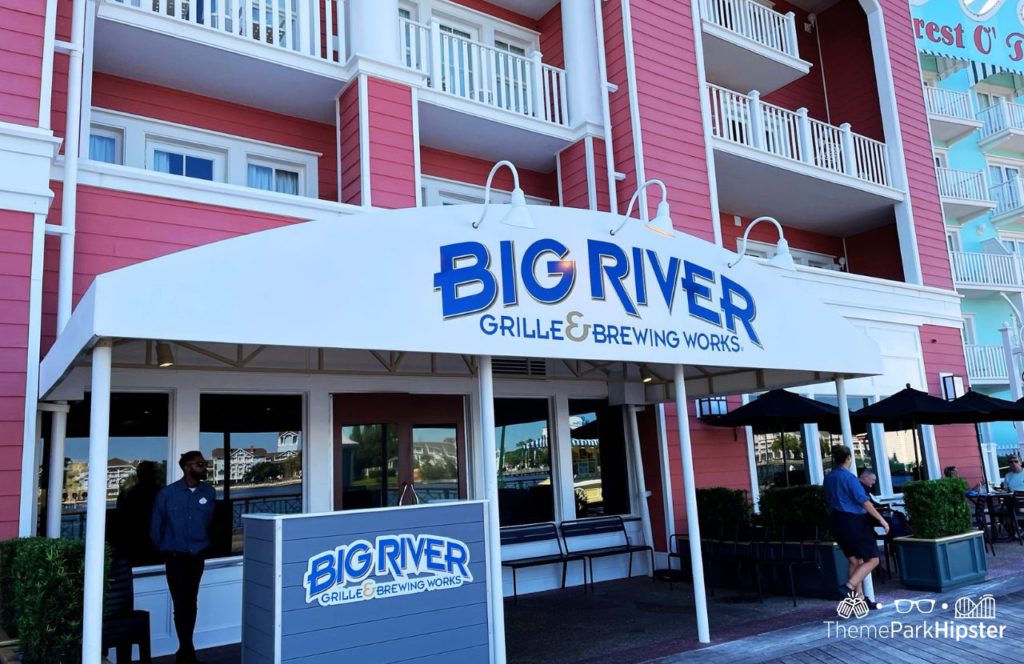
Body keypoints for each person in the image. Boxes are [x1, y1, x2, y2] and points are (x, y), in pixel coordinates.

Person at [151, 451, 215, 664]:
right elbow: (155, 528)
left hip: (196, 557)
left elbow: (212, 522)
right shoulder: (167, 494)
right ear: (187, 467)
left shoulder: (209, 492)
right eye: (200, 464)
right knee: (181, 604)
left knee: (192, 602)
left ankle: (186, 652)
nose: (204, 467)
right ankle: (186, 651)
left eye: (204, 464)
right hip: (176, 558)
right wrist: (167, 547)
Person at [824, 445, 889, 608]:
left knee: (854, 560)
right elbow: (864, 501)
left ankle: (858, 600)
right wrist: (881, 519)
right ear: (848, 459)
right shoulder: (849, 478)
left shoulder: (829, 477)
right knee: (873, 559)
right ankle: (848, 587)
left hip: (836, 521)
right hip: (853, 521)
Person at [114, 460, 163, 566]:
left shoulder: (128, 494)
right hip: (144, 542)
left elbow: (119, 520)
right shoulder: (162, 493)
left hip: (134, 543)